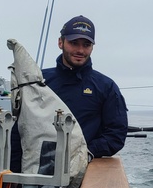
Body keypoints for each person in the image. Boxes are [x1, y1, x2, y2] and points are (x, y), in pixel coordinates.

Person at [42, 15, 128, 157]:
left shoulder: (106, 87)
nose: (80, 50)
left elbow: (116, 134)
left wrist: (86, 153)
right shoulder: (40, 81)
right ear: (60, 42)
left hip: (85, 169)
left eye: (86, 45)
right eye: (74, 43)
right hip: (39, 169)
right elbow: (21, 127)